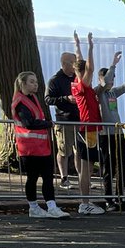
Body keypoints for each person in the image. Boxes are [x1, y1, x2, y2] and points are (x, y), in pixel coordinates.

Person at [11, 72, 68, 218]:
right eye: (31, 82)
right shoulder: (20, 101)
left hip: (41, 146)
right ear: (23, 84)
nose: (35, 84)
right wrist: (48, 124)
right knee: (33, 178)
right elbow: (28, 123)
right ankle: (34, 207)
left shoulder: (33, 98)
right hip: (29, 147)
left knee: (48, 177)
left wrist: (45, 123)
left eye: (36, 81)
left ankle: (52, 207)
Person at [70, 30, 105, 215]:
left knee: (87, 167)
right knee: (87, 167)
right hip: (88, 129)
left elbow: (80, 62)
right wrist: (90, 46)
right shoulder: (82, 86)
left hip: (89, 129)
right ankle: (85, 202)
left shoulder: (80, 84)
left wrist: (78, 44)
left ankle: (85, 201)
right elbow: (89, 68)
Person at [95, 52, 125, 208]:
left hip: (118, 133)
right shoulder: (98, 92)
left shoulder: (113, 92)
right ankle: (109, 198)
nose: (111, 81)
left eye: (113, 78)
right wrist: (113, 64)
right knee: (109, 166)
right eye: (110, 78)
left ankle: (119, 195)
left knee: (124, 163)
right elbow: (105, 82)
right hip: (105, 135)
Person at [45, 51, 79, 187]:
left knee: (80, 151)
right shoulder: (55, 80)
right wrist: (65, 99)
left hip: (79, 119)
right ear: (64, 63)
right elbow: (48, 99)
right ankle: (64, 178)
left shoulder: (77, 78)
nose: (75, 65)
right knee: (64, 150)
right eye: (73, 63)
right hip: (64, 120)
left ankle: (82, 177)